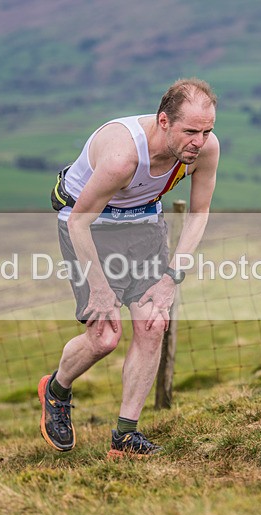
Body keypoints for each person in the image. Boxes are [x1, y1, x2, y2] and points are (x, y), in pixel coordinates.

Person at [38, 78, 220, 458]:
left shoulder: (205, 149)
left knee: (152, 325)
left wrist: (171, 278)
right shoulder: (124, 156)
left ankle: (125, 437)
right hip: (89, 226)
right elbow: (78, 223)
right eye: (190, 132)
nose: (199, 142)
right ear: (163, 121)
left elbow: (199, 213)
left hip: (143, 224)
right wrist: (101, 289)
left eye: (206, 131)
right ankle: (56, 390)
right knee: (104, 337)